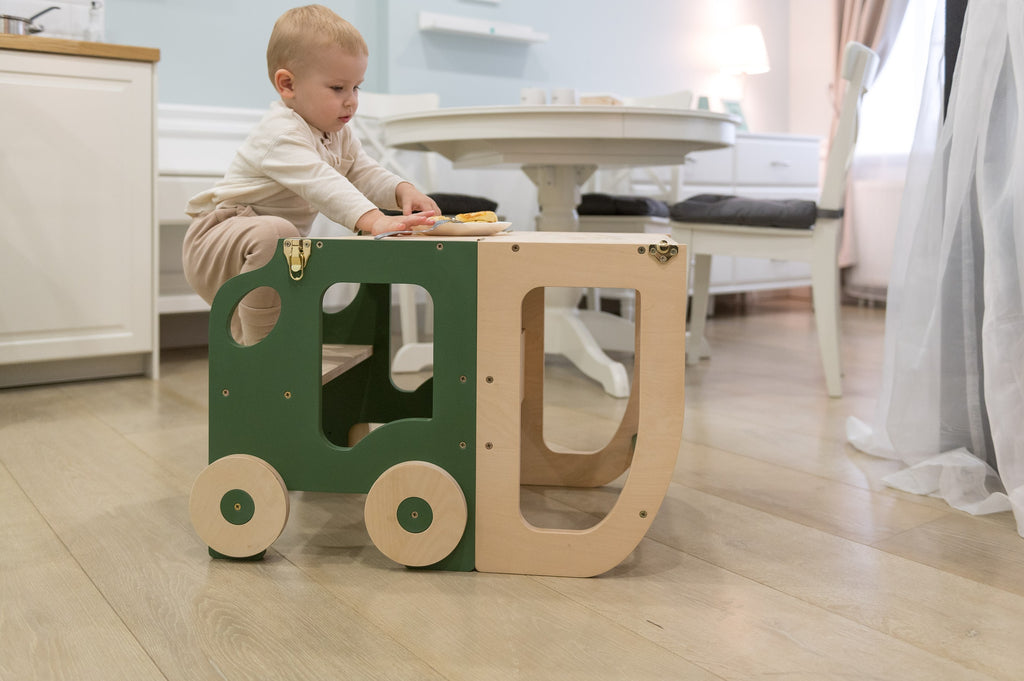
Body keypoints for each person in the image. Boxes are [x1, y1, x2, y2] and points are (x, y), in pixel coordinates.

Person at [182, 4, 439, 345]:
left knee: (286, 241)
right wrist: (374, 220)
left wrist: (401, 190)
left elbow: (362, 170)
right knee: (278, 233)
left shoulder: (338, 133)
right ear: (287, 84)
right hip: (218, 239)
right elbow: (322, 181)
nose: (351, 102)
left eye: (356, 88)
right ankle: (263, 352)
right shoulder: (280, 132)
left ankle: (271, 345)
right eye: (337, 88)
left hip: (268, 244)